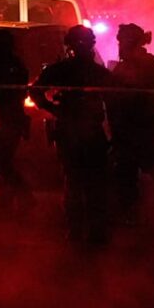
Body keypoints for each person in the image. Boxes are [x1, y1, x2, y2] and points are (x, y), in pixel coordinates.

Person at [30, 24, 116, 247]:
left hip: (71, 130)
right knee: (93, 183)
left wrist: (52, 108)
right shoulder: (97, 72)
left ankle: (76, 230)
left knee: (74, 181)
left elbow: (35, 90)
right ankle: (93, 232)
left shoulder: (60, 70)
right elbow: (116, 100)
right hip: (83, 132)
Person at [108, 23, 154, 222]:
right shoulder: (125, 65)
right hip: (127, 127)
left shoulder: (148, 64)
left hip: (144, 126)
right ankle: (131, 213)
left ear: (131, 43)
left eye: (123, 42)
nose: (120, 46)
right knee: (126, 173)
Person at [0, 30, 34, 217]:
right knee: (1, 162)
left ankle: (21, 198)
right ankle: (9, 202)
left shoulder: (0, 65)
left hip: (6, 118)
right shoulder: (15, 63)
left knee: (2, 163)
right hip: (9, 118)